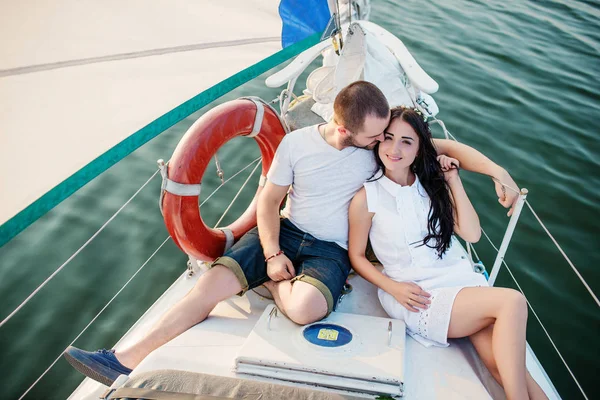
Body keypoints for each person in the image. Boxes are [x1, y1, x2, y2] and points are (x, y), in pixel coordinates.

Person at [64, 81, 520, 387]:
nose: (385, 143)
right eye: (376, 136)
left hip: (331, 250)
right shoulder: (297, 145)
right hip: (286, 230)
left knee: (304, 309)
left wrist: (498, 172)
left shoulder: (380, 152)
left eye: (388, 136)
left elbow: (445, 147)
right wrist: (270, 249)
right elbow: (267, 202)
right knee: (208, 289)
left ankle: (270, 280)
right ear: (345, 129)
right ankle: (122, 359)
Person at [348, 106, 548, 400]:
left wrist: (453, 180)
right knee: (512, 301)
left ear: (420, 149)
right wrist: (393, 288)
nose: (394, 149)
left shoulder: (430, 184)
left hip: (460, 281)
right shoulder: (366, 198)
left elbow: (471, 234)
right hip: (418, 294)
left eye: (407, 141)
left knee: (504, 367)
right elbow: (357, 256)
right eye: (388, 138)